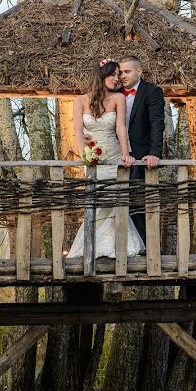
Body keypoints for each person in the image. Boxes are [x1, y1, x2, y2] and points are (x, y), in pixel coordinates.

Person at [66, 59, 143, 259]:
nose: (117, 79)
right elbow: (77, 132)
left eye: (119, 75)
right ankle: (92, 245)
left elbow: (120, 128)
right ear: (101, 75)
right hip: (93, 157)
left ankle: (117, 245)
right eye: (113, 75)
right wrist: (85, 156)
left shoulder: (118, 98)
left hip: (114, 154)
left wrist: (127, 154)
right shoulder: (80, 100)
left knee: (116, 200)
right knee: (96, 201)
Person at [117, 56, 165, 238]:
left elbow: (157, 123)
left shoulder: (152, 91)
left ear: (139, 71)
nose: (122, 76)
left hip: (141, 157)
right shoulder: (115, 93)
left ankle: (146, 248)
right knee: (118, 202)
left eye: (127, 72)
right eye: (120, 72)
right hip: (118, 155)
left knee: (139, 203)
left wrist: (154, 153)